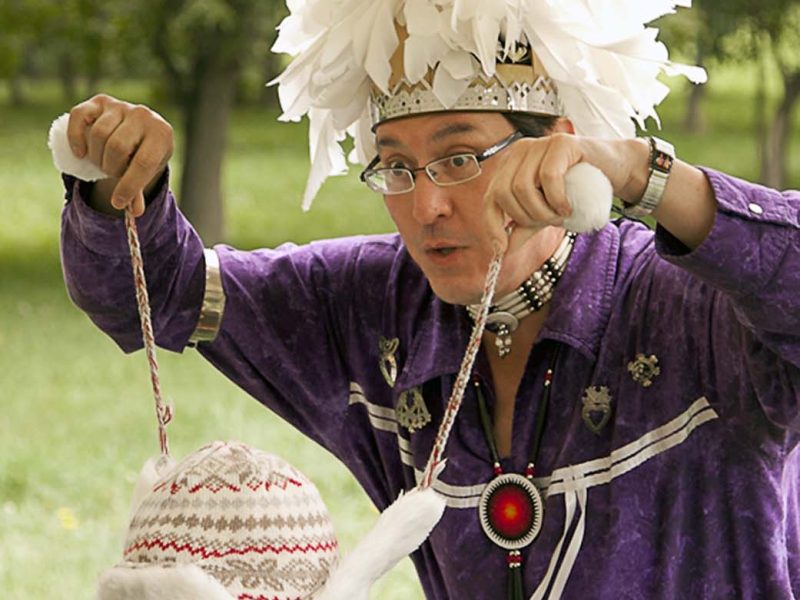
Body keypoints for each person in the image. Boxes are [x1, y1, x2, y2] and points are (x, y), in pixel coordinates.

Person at [57, 1, 799, 598]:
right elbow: (150, 295)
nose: (429, 206)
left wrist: (645, 175)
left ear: (565, 147)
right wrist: (115, 183)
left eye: (460, 158)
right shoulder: (370, 307)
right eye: (397, 168)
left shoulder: (692, 308)